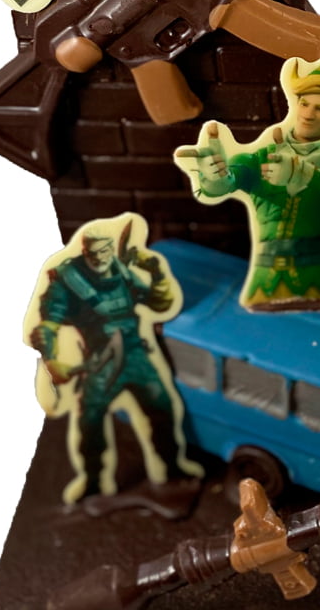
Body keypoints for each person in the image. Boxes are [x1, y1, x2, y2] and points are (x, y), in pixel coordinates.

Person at [26, 213, 203, 504]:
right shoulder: (67, 279)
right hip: (99, 363)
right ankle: (93, 482)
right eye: (95, 253)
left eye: (106, 251)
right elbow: (47, 325)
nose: (102, 258)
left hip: (136, 355)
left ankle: (172, 469)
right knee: (90, 421)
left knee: (163, 409)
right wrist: (52, 359)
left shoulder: (120, 271)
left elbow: (159, 304)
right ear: (84, 251)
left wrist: (156, 274)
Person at [175, 47, 320, 311]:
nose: (308, 114)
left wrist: (308, 175)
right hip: (265, 289)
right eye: (304, 104)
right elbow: (229, 181)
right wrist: (214, 175)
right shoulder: (262, 155)